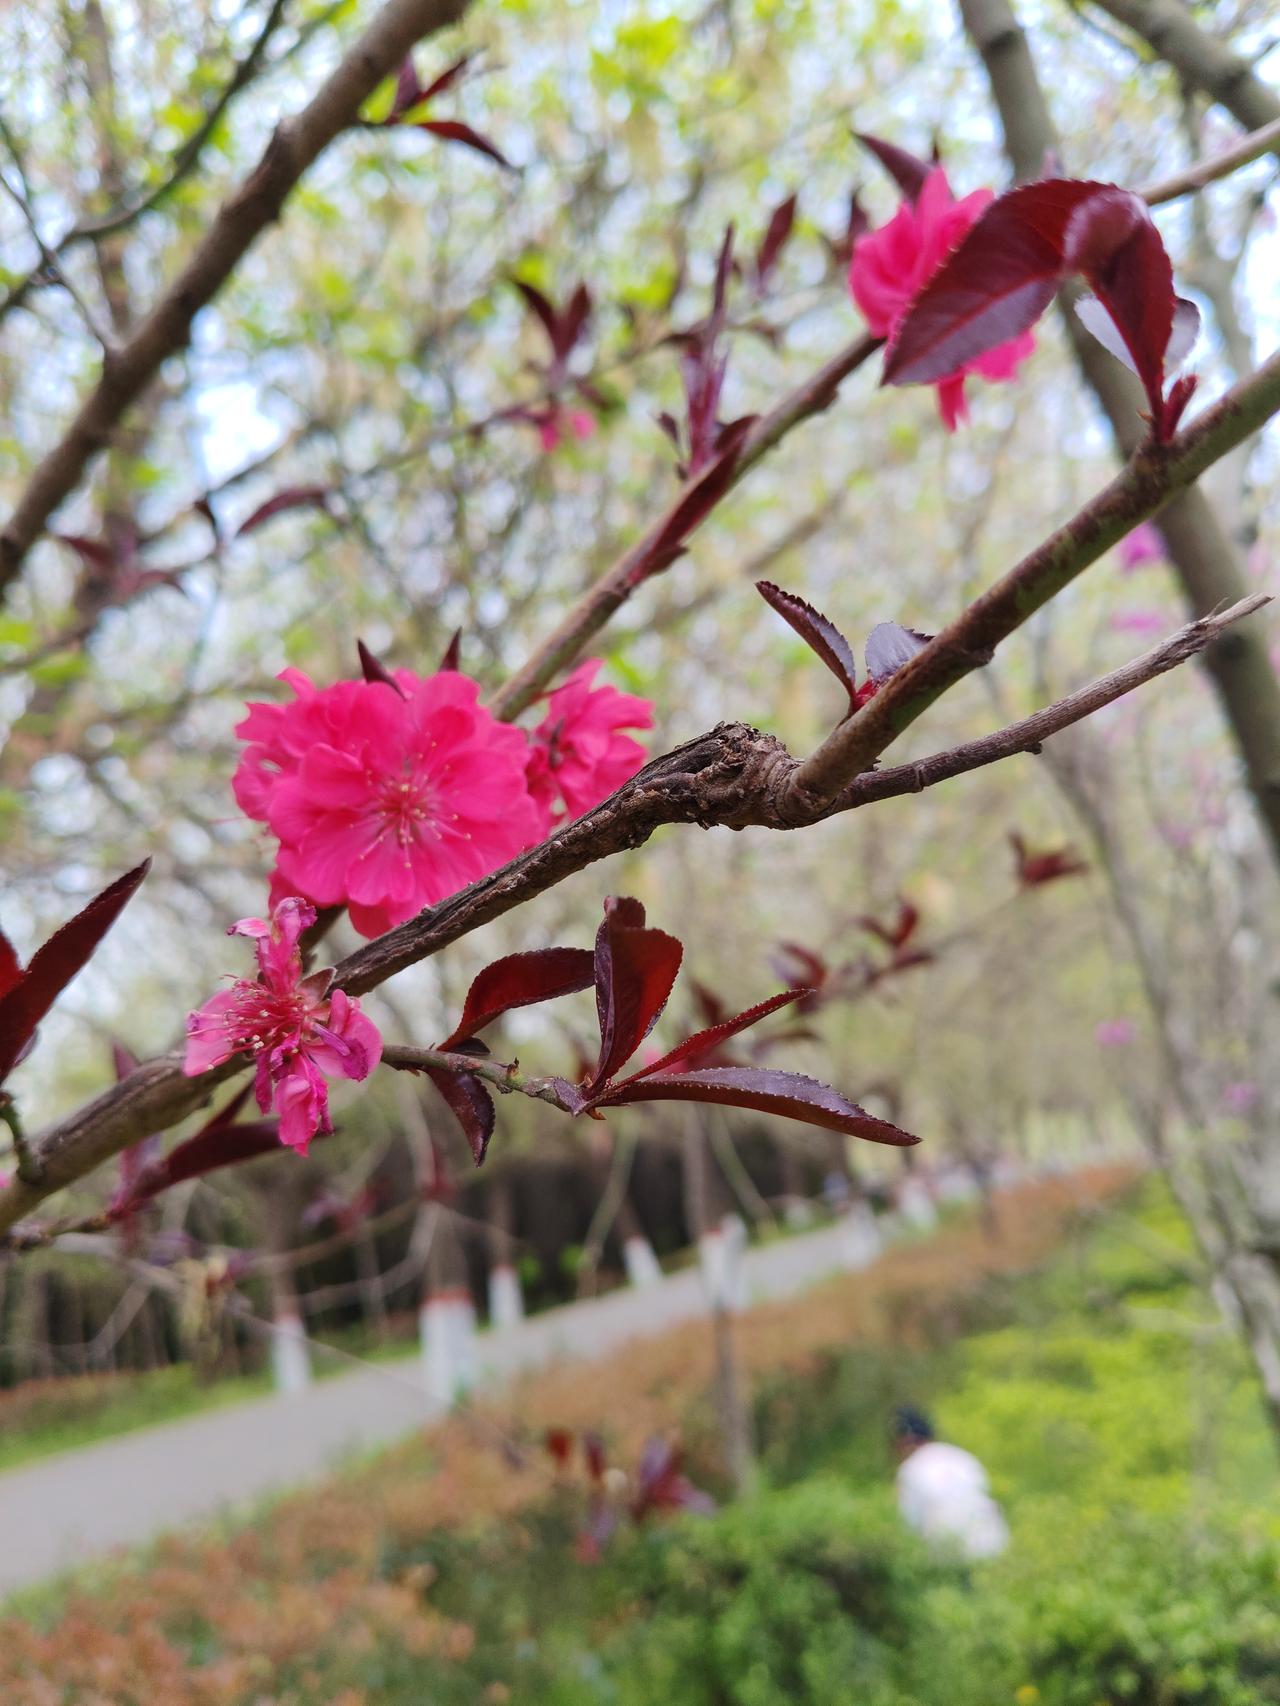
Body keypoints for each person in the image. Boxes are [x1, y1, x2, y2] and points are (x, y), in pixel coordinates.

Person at [891, 1406, 1009, 1561]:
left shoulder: (909, 1469)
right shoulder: (961, 1457)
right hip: (994, 1545)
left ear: (902, 1442)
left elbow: (908, 1523)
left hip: (947, 1555)